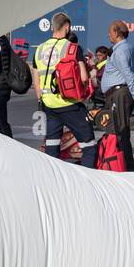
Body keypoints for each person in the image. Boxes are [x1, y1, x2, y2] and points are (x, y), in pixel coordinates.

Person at [33, 13, 98, 168]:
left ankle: (54, 181)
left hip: (48, 105)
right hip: (70, 104)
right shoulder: (72, 48)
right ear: (67, 27)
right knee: (89, 146)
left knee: (52, 146)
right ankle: (88, 182)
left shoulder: (39, 49)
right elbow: (83, 78)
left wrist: (42, 100)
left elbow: (37, 82)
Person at [99, 21, 134, 172]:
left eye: (110, 32)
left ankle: (124, 167)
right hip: (121, 94)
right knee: (119, 131)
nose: (108, 34)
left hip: (120, 94)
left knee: (120, 132)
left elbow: (129, 73)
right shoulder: (128, 48)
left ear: (117, 33)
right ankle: (122, 166)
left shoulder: (120, 51)